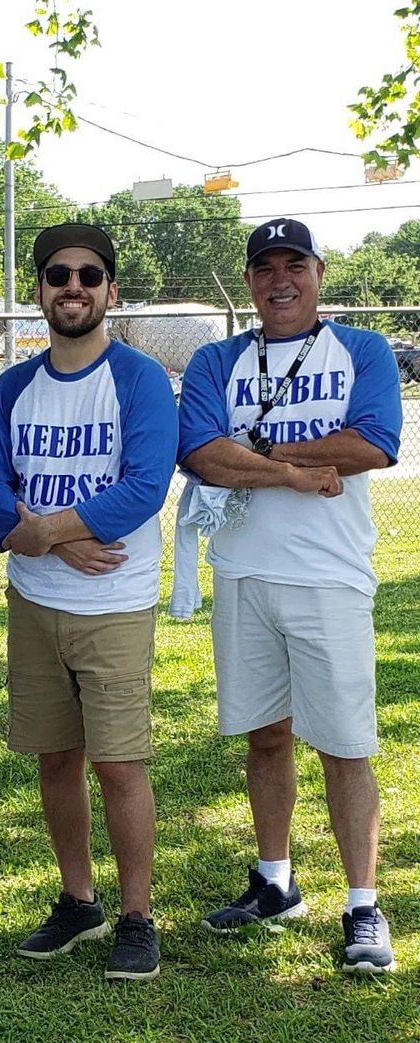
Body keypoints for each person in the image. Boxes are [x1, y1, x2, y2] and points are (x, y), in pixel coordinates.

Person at [178, 218, 402, 973]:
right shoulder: (216, 359)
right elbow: (203, 455)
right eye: (265, 267)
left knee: (345, 744)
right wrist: (297, 473)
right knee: (265, 735)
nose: (281, 279)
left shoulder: (361, 350)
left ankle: (363, 905)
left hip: (330, 576)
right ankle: (275, 883)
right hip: (243, 573)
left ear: (318, 272)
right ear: (248, 280)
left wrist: (266, 452)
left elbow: (374, 441)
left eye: (294, 265)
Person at [0, 223, 177, 982]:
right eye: (58, 274)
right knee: (55, 758)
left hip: (114, 602)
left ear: (111, 292)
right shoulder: (13, 387)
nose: (74, 287)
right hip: (35, 599)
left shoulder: (139, 378)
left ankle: (136, 916)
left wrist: (43, 528)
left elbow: (143, 487)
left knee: (120, 765)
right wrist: (54, 543)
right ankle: (78, 899)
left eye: (90, 276)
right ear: (39, 291)